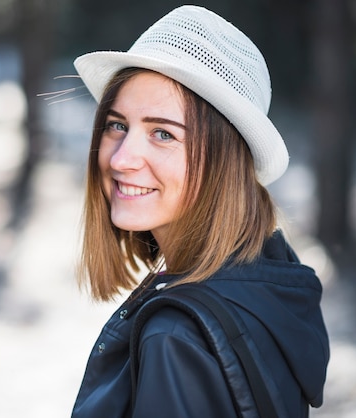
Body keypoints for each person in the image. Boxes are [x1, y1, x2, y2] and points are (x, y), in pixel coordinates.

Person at [70, 5, 329, 418]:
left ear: (223, 163)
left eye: (162, 133)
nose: (121, 159)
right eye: (117, 125)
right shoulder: (270, 275)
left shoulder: (174, 339)